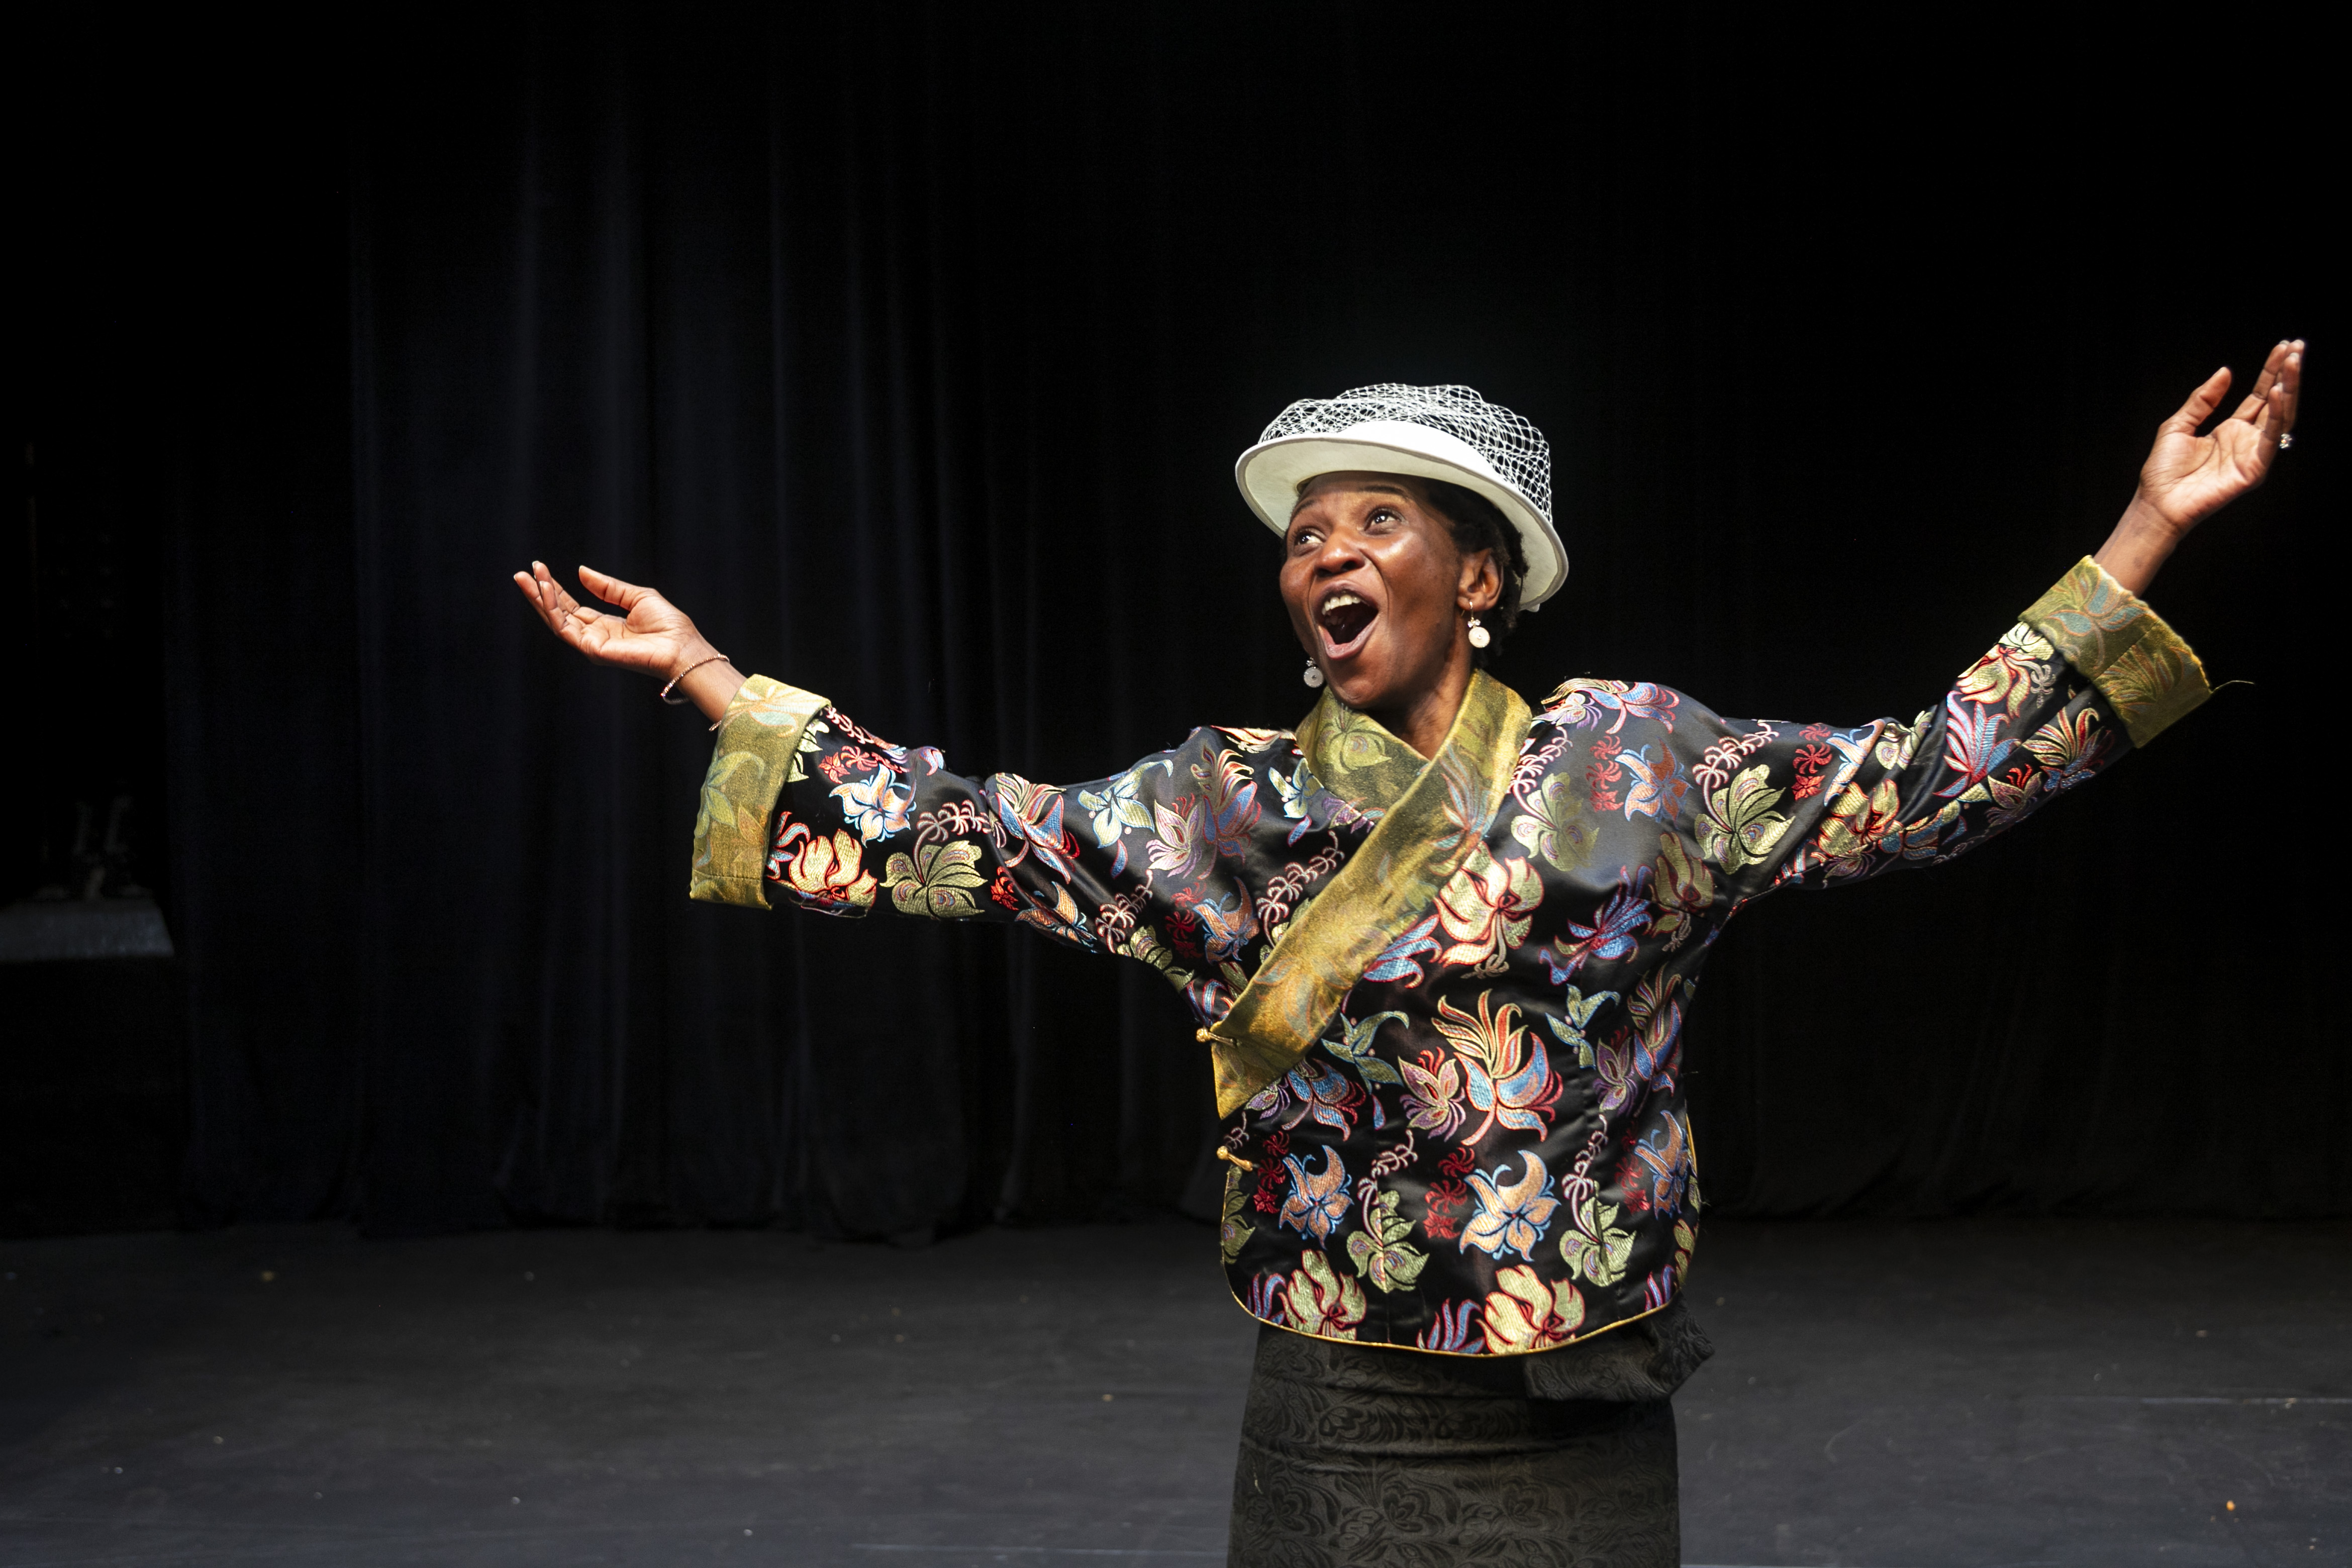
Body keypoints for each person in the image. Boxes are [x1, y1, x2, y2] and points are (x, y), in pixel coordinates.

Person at [515, 348, 2303, 1566]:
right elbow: (976, 833)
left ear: (1480, 579)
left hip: (1572, 1391)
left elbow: (1919, 781)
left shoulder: (1632, 764)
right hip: (1339, 1396)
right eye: (1308, 536)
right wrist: (710, 683)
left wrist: (2148, 529)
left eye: (1380, 523)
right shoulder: (1225, 805)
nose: (1329, 554)